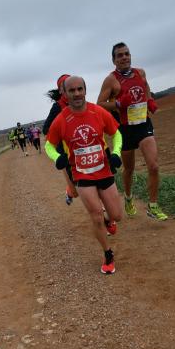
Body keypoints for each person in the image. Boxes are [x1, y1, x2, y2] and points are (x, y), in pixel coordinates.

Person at [45, 76, 123, 274]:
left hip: (103, 169)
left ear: (85, 90)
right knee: (96, 215)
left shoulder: (98, 112)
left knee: (116, 215)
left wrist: (115, 153)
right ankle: (108, 254)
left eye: (80, 89)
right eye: (72, 90)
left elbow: (116, 133)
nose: (77, 93)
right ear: (65, 94)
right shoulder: (61, 119)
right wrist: (57, 158)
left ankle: (109, 219)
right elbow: (49, 144)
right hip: (81, 174)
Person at [97, 42, 168, 221]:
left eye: (126, 54)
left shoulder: (140, 73)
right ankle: (128, 198)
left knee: (154, 166)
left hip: (144, 124)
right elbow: (100, 104)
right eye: (119, 55)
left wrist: (150, 100)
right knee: (129, 169)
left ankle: (152, 206)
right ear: (114, 60)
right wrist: (119, 103)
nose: (124, 57)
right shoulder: (111, 80)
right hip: (125, 129)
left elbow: (146, 88)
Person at [43, 74, 79, 205]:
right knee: (76, 191)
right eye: (66, 86)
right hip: (65, 150)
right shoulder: (58, 107)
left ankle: (103, 212)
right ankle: (70, 191)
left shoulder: (81, 101)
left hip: (83, 145)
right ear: (61, 90)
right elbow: (46, 129)